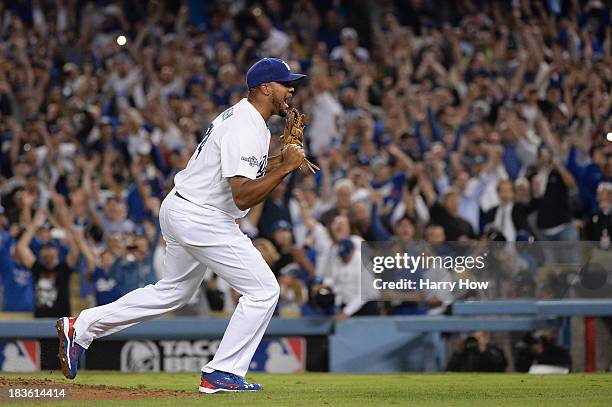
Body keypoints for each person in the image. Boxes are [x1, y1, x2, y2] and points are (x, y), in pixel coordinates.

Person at [56, 58, 307, 393]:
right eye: (284, 83)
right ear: (265, 87)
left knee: (174, 291)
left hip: (184, 208)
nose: (291, 89)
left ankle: (81, 326)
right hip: (201, 216)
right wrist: (286, 167)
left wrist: (279, 160)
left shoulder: (248, 121)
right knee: (264, 290)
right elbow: (243, 195)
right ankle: (222, 373)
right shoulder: (245, 126)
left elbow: (236, 176)